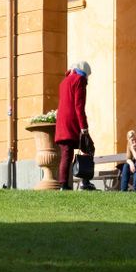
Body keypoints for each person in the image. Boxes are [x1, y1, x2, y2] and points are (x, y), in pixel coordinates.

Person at [54, 61, 91, 190]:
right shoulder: (79, 80)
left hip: (62, 123)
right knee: (88, 148)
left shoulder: (64, 82)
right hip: (72, 122)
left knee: (66, 154)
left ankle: (63, 185)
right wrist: (84, 128)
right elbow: (79, 106)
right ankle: (85, 182)